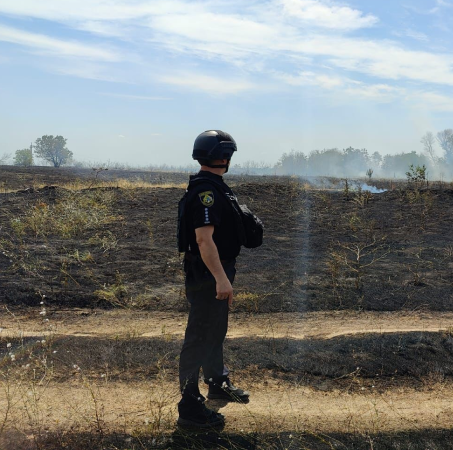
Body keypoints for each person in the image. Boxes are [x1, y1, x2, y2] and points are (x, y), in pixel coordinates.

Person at [177, 130, 250, 428]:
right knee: (199, 337)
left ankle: (217, 382)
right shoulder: (206, 192)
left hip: (215, 270)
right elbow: (204, 241)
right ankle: (190, 408)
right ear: (224, 157)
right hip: (209, 273)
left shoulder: (211, 186)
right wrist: (221, 278)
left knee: (214, 330)